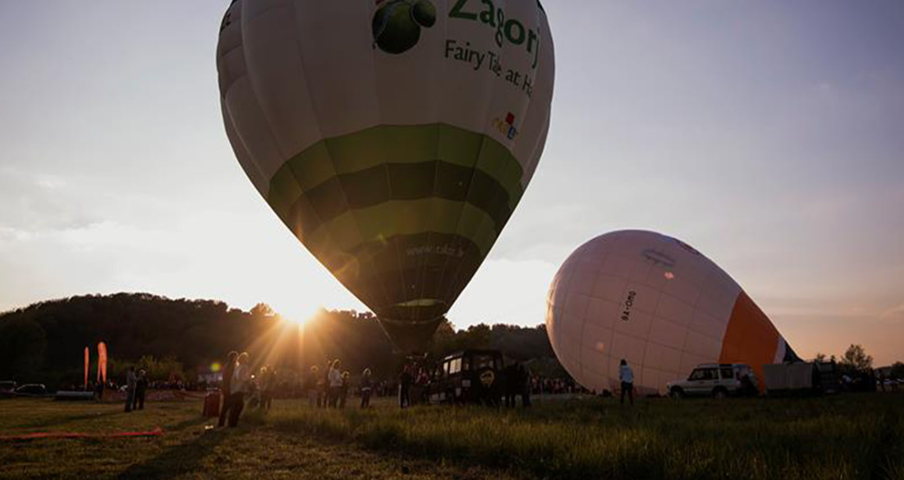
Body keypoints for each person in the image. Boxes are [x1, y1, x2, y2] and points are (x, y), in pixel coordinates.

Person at [228, 352, 251, 427]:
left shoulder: (237, 367)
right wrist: (248, 380)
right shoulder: (244, 367)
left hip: (234, 389)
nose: (248, 359)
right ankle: (233, 423)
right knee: (239, 406)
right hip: (239, 389)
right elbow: (242, 378)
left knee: (235, 406)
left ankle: (231, 423)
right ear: (244, 359)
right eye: (247, 358)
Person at [218, 351, 238, 427]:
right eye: (235, 357)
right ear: (232, 357)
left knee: (226, 405)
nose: (236, 358)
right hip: (228, 388)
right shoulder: (230, 366)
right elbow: (229, 378)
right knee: (227, 405)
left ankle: (222, 422)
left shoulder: (228, 365)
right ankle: (223, 422)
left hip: (227, 387)